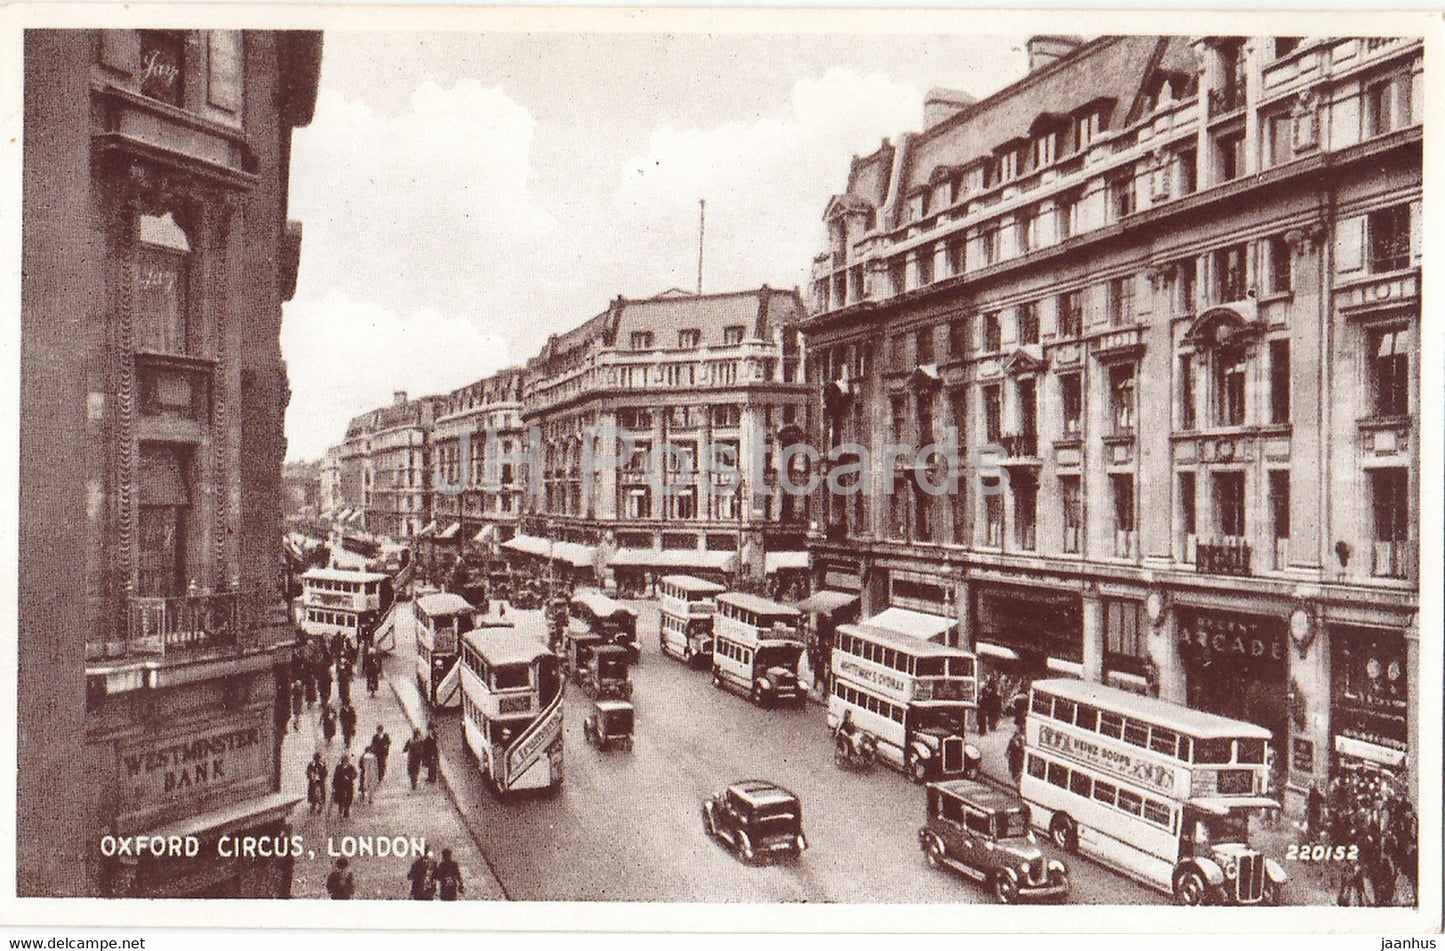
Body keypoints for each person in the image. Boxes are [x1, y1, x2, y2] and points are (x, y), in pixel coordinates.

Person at [332, 753, 357, 819]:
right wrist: (334, 786)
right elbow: (335, 777)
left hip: (348, 786)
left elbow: (355, 774)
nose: (345, 762)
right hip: (340, 786)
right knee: (340, 799)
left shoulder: (351, 767)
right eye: (344, 761)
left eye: (346, 761)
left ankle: (346, 810)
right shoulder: (338, 767)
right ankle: (340, 811)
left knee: (349, 798)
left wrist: (350, 777)